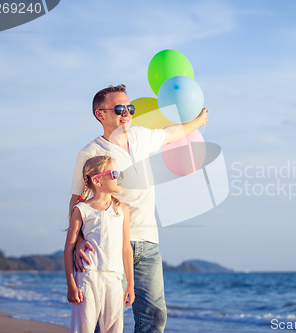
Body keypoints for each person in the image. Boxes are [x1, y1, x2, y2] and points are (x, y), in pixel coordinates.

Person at [69, 84, 208, 333]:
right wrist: (79, 239)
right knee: (107, 318)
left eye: (129, 107)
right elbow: (76, 201)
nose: (127, 113)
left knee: (155, 316)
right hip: (108, 243)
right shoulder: (90, 152)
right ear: (100, 114)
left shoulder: (141, 136)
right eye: (120, 108)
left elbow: (171, 133)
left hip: (148, 241)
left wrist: (198, 121)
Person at [64, 155, 135, 333]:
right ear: (97, 180)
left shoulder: (122, 209)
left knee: (114, 329)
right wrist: (71, 285)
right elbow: (68, 249)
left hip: (114, 278)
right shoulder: (81, 209)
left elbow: (126, 248)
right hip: (87, 278)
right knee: (83, 329)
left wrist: (130, 285)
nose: (118, 176)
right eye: (114, 173)